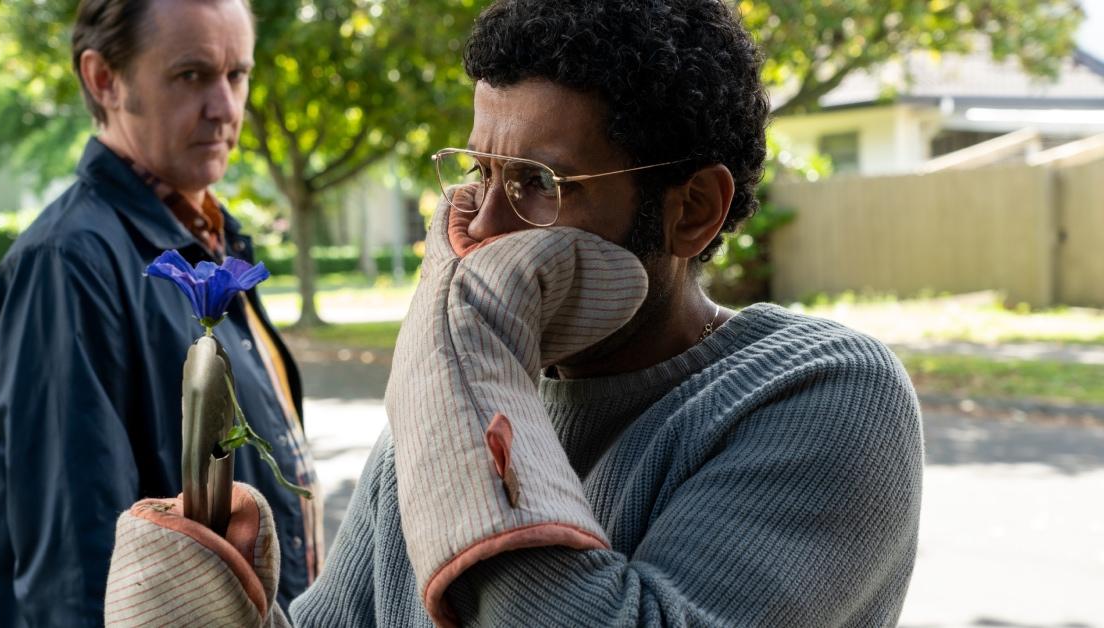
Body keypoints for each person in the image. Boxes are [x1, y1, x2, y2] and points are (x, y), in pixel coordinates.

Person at [106, 0, 923, 626]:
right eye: (476, 173)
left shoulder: (824, 395)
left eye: (538, 183)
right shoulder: (461, 391)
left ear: (693, 211)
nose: (485, 226)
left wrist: (465, 372)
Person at [0, 0, 322, 625]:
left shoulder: (211, 239)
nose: (225, 106)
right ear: (104, 79)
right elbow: (75, 574)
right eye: (191, 75)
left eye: (237, 74)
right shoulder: (67, 266)